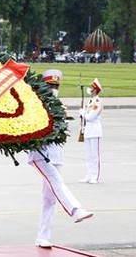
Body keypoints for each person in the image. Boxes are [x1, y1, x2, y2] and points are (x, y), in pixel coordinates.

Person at [29, 69, 94, 248]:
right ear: (43, 86)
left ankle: (43, 236)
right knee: (57, 182)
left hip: (56, 155)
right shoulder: (36, 104)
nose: (54, 88)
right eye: (51, 85)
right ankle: (75, 210)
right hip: (40, 154)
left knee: (49, 199)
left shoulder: (58, 105)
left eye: (56, 85)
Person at [79, 78, 104, 184]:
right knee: (88, 155)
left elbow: (90, 117)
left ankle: (95, 176)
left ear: (95, 90)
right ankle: (88, 175)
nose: (89, 89)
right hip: (88, 129)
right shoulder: (90, 101)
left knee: (95, 155)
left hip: (95, 130)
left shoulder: (97, 101)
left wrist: (83, 113)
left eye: (91, 88)